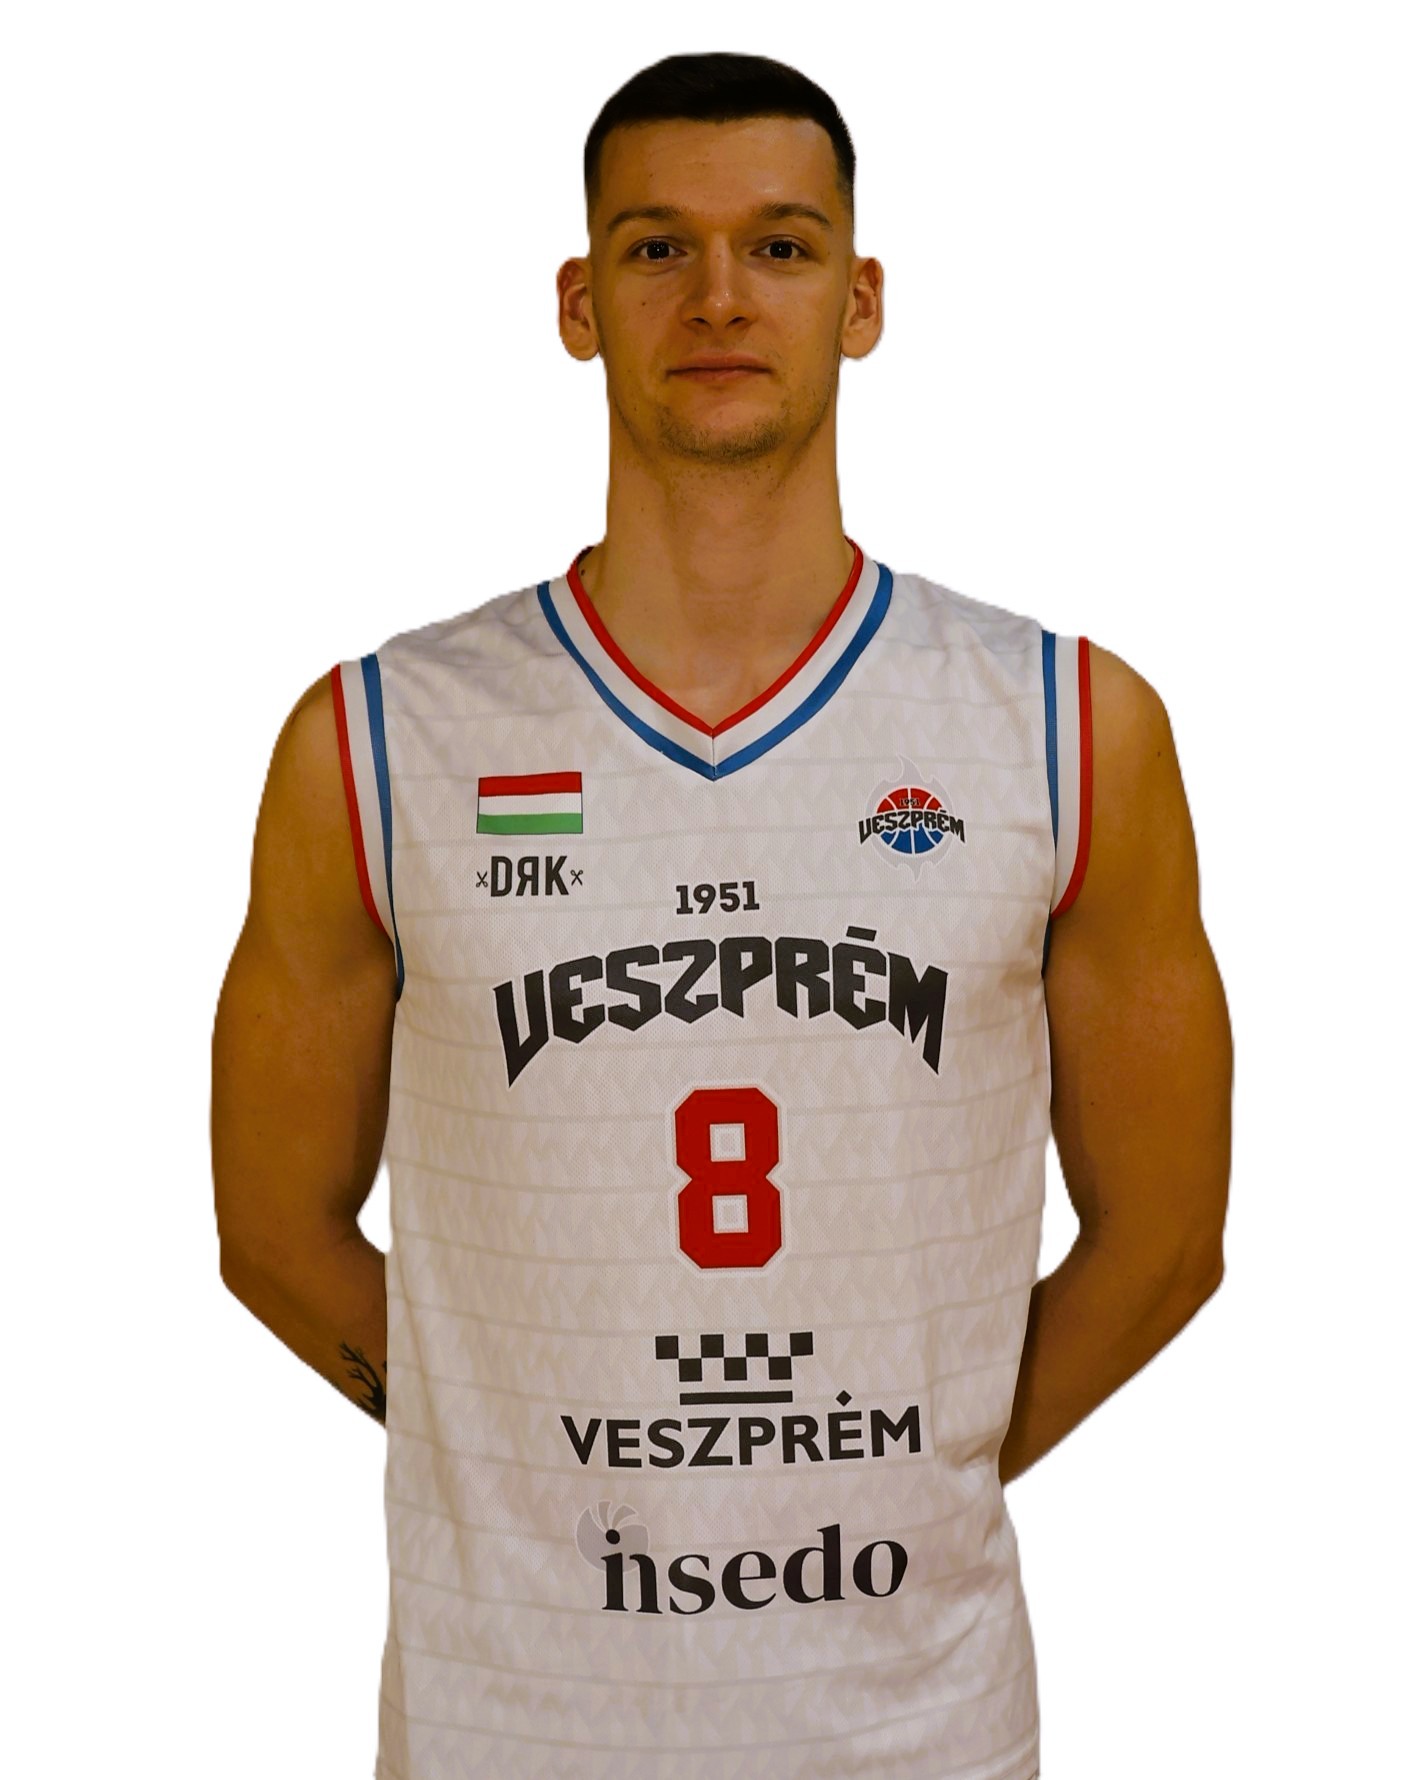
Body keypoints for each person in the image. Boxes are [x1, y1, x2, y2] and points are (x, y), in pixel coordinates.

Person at [211, 49, 1232, 1780]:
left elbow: (1166, 1241)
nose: (718, 297)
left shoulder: (1064, 727)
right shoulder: (378, 739)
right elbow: (270, 1230)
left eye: (779, 245)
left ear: (862, 298)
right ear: (579, 303)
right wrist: (505, 1452)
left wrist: (912, 1478)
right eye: (656, 248)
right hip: (506, 1730)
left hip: (915, 1731)